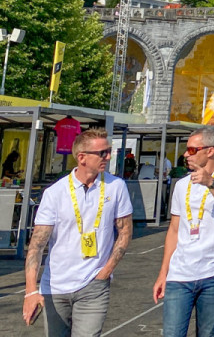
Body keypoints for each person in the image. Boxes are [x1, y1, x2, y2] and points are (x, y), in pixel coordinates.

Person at [24, 128, 134, 335]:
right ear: (82, 158)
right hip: (56, 286)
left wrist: (105, 273)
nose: (108, 157)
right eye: (102, 153)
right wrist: (31, 291)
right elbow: (37, 245)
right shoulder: (55, 193)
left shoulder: (116, 186)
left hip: (94, 283)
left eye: (108, 151)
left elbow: (125, 232)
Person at [153, 127, 214, 337]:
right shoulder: (182, 184)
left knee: (207, 333)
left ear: (210, 151)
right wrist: (163, 273)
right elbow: (174, 229)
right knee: (172, 333)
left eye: (192, 150)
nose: (186, 154)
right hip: (180, 273)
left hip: (213, 271)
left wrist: (211, 183)